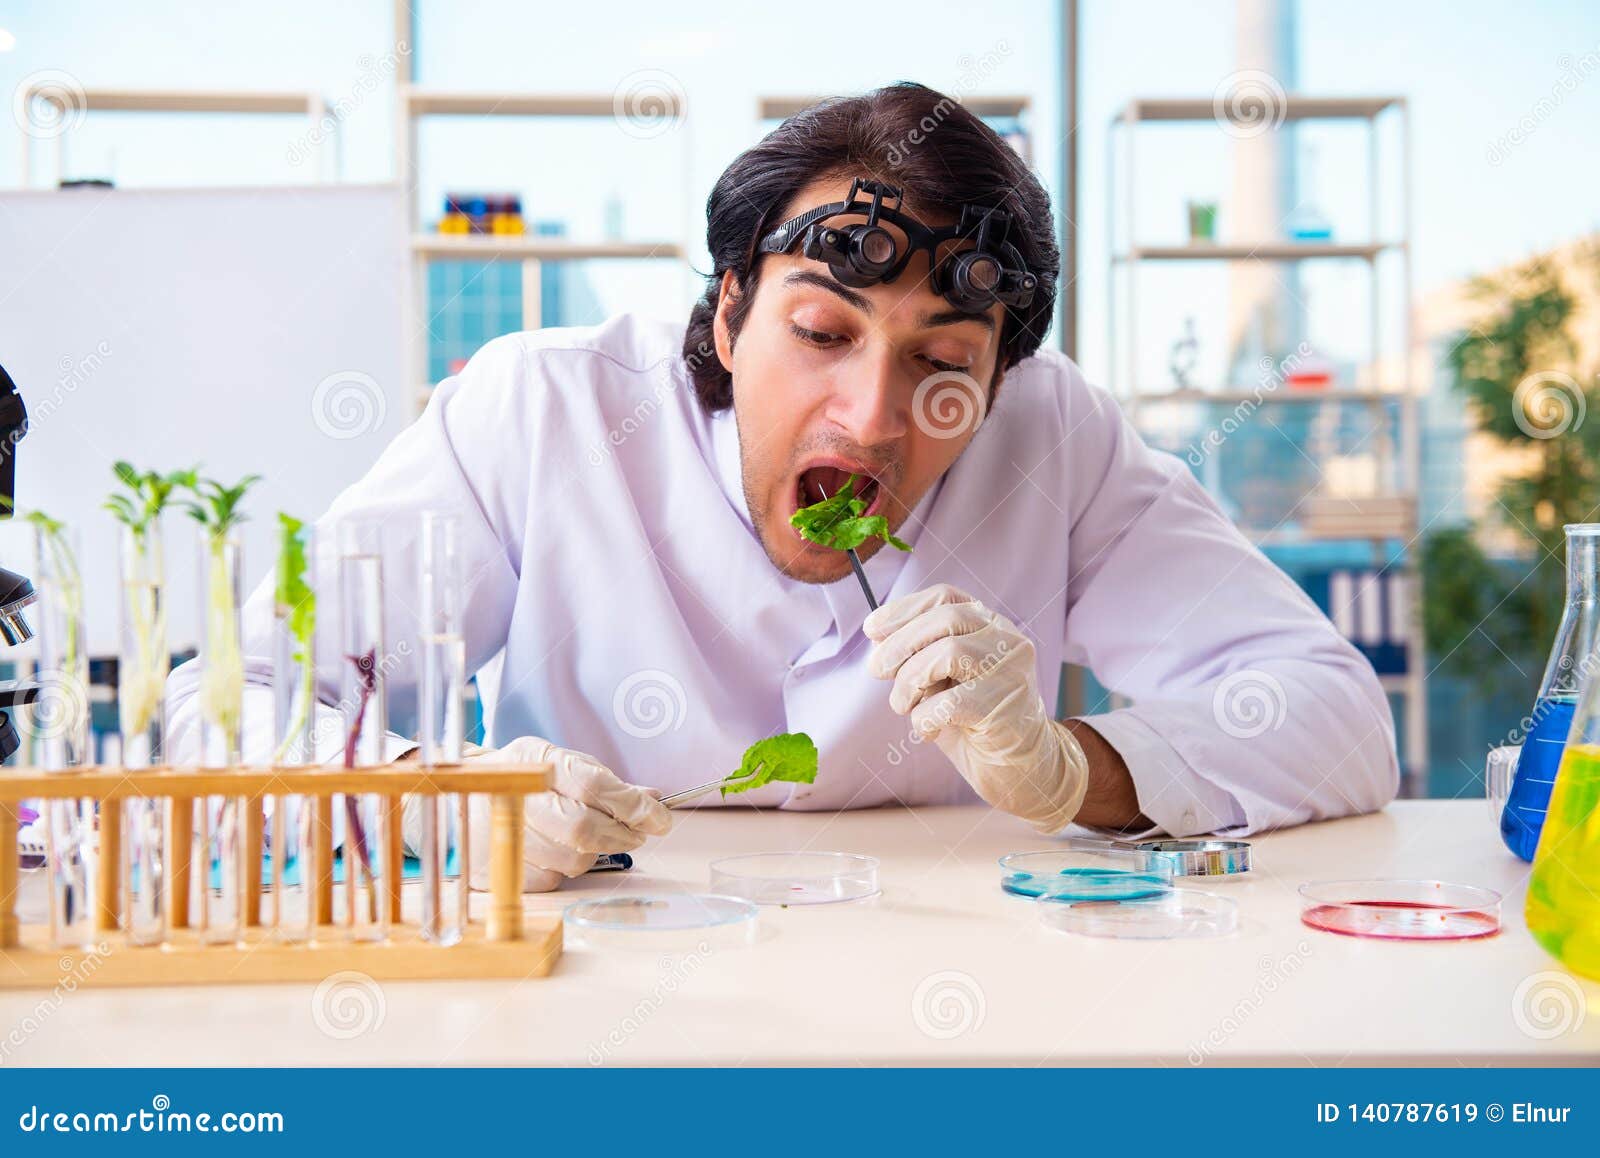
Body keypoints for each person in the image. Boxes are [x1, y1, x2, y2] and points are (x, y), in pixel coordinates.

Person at [166, 82, 1398, 891]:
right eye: (822, 333)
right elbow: (222, 710)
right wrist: (461, 811)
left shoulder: (1053, 437)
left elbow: (1333, 714)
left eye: (941, 366)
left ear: (1003, 378)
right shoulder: (540, 407)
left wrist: (1072, 767)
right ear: (732, 305)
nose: (871, 416)